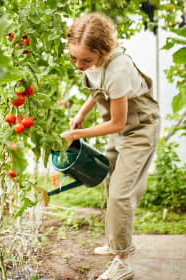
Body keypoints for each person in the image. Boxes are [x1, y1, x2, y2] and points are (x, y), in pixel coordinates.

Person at [60, 13, 160, 280]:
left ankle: (122, 261)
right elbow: (97, 89)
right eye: (74, 58)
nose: (79, 65)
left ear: (102, 51)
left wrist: (75, 133)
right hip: (123, 128)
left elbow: (117, 122)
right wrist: (82, 112)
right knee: (107, 177)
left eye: (86, 60)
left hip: (139, 128)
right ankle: (115, 242)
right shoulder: (94, 64)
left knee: (120, 194)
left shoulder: (118, 68)